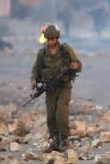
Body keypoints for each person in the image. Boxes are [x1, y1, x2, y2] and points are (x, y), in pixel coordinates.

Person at [31, 24, 82, 152]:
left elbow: (78, 65)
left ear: (57, 38)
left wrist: (75, 66)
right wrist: (33, 80)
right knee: (51, 116)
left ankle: (64, 140)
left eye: (53, 39)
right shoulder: (42, 53)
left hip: (64, 86)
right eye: (48, 39)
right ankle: (55, 140)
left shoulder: (66, 50)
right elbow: (36, 68)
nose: (50, 42)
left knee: (61, 113)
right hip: (50, 88)